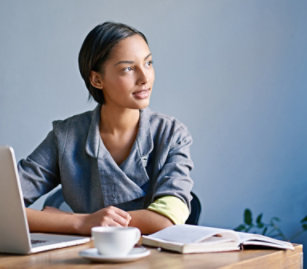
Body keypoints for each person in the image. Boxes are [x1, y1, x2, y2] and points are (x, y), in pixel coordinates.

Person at [18, 21, 194, 235]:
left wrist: (72, 220)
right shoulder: (65, 136)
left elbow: (167, 218)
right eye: (128, 69)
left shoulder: (172, 134)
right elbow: (3, 206)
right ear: (97, 79)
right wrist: (81, 223)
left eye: (148, 63)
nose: (144, 78)